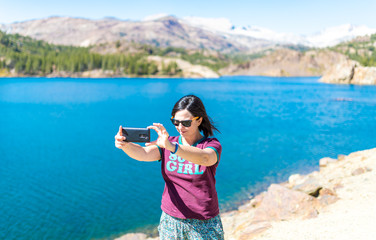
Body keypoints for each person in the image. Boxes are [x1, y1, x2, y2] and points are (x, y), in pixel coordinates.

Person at [114, 95, 224, 240]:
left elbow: (205, 158)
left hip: (203, 221)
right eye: (175, 122)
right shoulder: (168, 144)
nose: (179, 127)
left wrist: (172, 147)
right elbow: (143, 153)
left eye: (185, 123)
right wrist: (125, 145)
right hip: (171, 219)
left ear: (199, 120)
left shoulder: (210, 145)